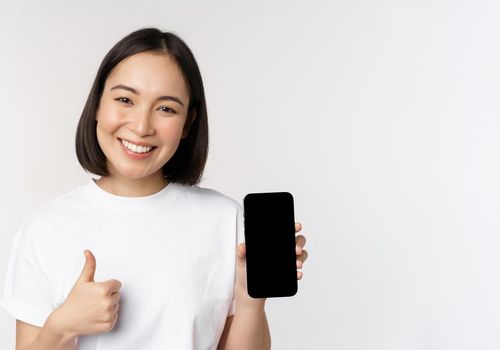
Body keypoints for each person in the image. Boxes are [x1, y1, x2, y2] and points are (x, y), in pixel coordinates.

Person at [0, 27, 308, 350]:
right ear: (97, 106)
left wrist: (249, 298)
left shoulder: (225, 220)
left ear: (187, 123)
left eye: (166, 108)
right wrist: (62, 327)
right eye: (124, 99)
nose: (142, 126)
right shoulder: (45, 228)